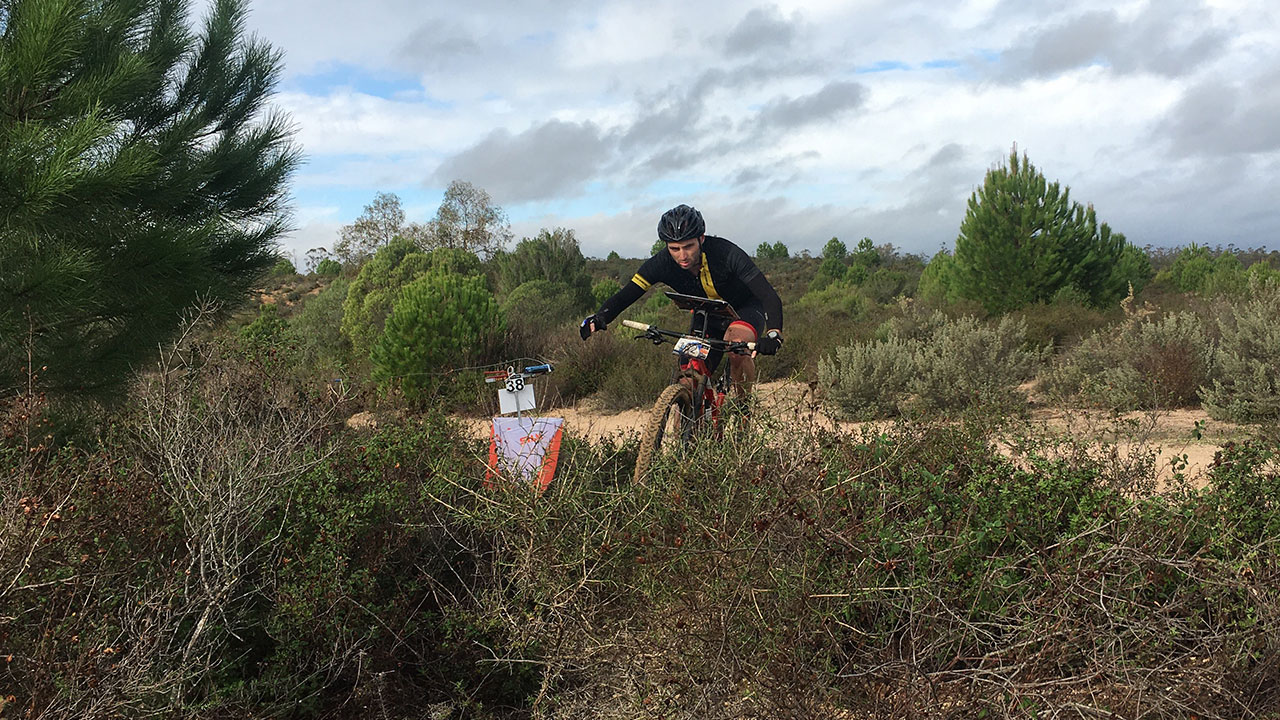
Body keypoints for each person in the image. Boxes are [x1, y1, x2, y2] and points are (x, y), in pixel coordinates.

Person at [580, 204, 783, 397]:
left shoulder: (726, 253)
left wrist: (773, 334)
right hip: (706, 316)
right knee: (686, 378)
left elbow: (768, 295)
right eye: (674, 248)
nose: (682, 255)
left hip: (744, 309)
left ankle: (742, 408)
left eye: (688, 246)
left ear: (701, 239)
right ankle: (685, 423)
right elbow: (628, 294)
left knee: (736, 343)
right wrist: (600, 318)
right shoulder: (662, 263)